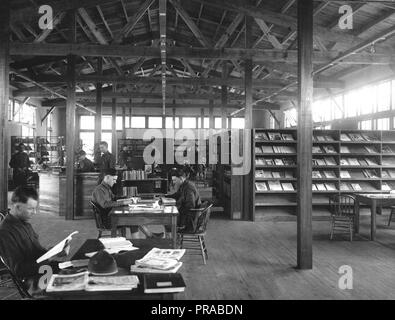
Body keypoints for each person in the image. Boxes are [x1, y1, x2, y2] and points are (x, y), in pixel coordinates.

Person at [0, 187, 68, 293]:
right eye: (30, 208)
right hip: (34, 281)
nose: (35, 212)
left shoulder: (24, 224)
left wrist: (53, 251)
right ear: (17, 207)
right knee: (75, 284)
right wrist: (49, 258)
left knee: (79, 269)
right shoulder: (5, 232)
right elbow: (19, 270)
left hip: (44, 270)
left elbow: (37, 253)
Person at [91, 169, 162, 239]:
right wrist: (124, 202)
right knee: (133, 220)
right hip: (107, 220)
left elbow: (115, 198)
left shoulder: (106, 188)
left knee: (134, 218)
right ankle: (144, 238)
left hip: (111, 215)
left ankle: (148, 236)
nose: (115, 182)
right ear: (107, 177)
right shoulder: (99, 190)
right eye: (114, 179)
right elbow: (105, 204)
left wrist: (127, 198)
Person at [166, 167, 202, 235]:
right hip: (188, 216)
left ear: (181, 178)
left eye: (175, 180)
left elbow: (190, 206)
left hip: (190, 220)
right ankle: (170, 239)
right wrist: (165, 196)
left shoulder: (188, 187)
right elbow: (177, 195)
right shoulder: (184, 184)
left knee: (168, 220)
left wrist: (177, 210)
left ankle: (172, 241)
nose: (174, 183)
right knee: (168, 218)